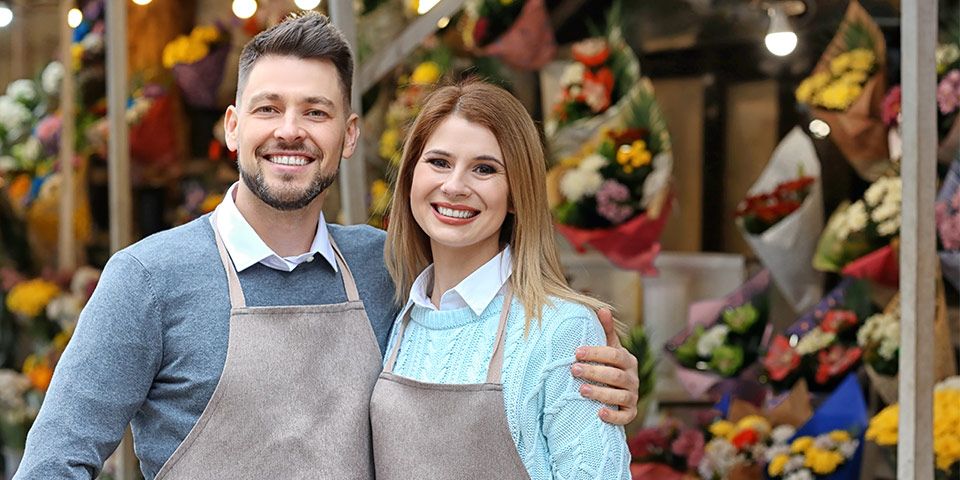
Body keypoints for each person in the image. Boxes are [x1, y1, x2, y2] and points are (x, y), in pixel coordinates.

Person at [16, 12, 639, 480]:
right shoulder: (147, 279)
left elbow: (491, 341)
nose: (290, 131)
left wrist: (590, 376)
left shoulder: (388, 268)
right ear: (233, 127)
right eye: (268, 108)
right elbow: (55, 462)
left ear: (349, 134)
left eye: (316, 111)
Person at [370, 80, 631, 478]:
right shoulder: (396, 316)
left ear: (515, 195)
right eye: (439, 162)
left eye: (484, 169)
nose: (455, 186)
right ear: (409, 177)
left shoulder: (562, 330)